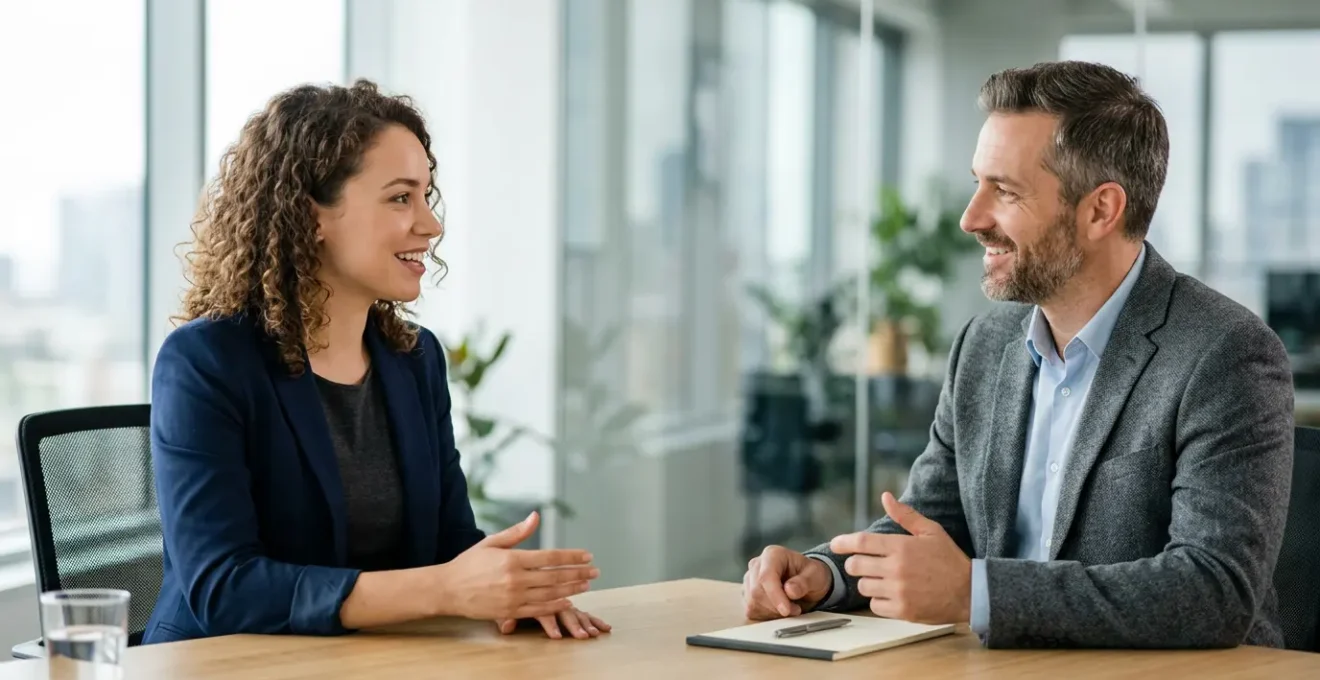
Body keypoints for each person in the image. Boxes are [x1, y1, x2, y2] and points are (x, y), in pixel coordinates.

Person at [741, 61, 1295, 649]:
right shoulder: (983, 345)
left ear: (1101, 210)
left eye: (1004, 191)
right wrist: (821, 575)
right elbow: (932, 523)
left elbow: (1213, 591)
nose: (971, 218)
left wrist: (976, 594)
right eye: (978, 183)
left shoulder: (1225, 354)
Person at [144, 80, 610, 644]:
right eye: (399, 198)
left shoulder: (414, 360)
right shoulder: (207, 361)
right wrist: (444, 589)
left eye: (426, 196)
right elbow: (223, 587)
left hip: (372, 662)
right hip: (224, 664)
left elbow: (448, 543)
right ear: (310, 215)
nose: (430, 225)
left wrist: (513, 589)